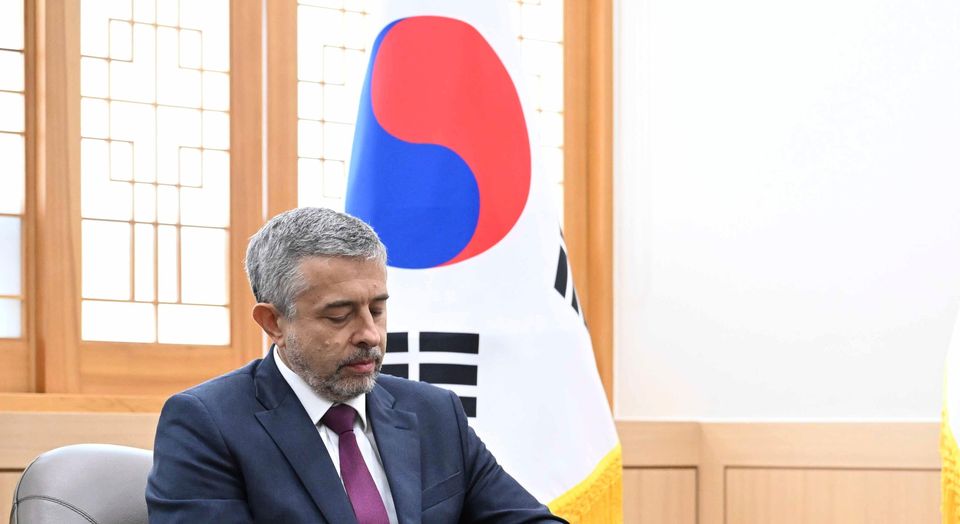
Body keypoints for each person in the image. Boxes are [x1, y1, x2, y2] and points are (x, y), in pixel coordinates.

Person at [146, 207, 564, 523]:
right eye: (339, 315)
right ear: (273, 322)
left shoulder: (435, 413)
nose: (371, 335)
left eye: (377, 310)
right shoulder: (208, 424)